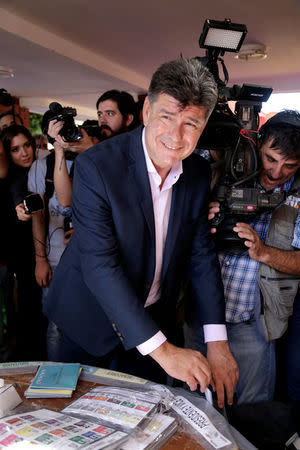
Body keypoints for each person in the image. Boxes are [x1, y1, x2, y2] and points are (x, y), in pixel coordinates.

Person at [44, 57, 238, 408]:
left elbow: (200, 256)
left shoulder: (195, 173)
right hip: (85, 323)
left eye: (191, 123)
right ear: (147, 111)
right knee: (71, 424)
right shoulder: (97, 166)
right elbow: (99, 265)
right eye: (166, 116)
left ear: (204, 124)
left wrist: (217, 341)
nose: (176, 136)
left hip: (152, 322)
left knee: (141, 428)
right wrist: (164, 351)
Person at [205, 110, 300, 404]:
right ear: (257, 145)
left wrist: (263, 252)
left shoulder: (296, 197)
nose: (276, 172)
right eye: (271, 159)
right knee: (194, 406)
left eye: (290, 165)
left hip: (253, 324)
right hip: (201, 319)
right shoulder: (220, 175)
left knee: (252, 413)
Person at [1, 124, 45, 359]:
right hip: (21, 259)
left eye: (26, 145)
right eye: (16, 149)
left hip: (39, 255)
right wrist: (22, 210)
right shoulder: (13, 178)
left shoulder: (41, 168)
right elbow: (19, 198)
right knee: (27, 319)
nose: (24, 153)